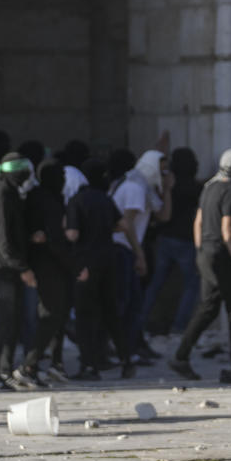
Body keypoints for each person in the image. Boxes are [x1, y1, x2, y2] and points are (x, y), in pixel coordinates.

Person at [168, 148, 231, 383]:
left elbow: (199, 221)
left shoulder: (210, 186)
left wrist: (201, 251)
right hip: (222, 255)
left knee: (208, 308)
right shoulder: (230, 189)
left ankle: (181, 356)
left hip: (205, 253)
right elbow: (227, 230)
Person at [66, 159, 135, 380]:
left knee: (85, 315)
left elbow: (73, 234)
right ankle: (126, 360)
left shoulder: (78, 200)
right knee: (111, 313)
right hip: (108, 260)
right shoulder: (106, 199)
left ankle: (89, 365)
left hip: (86, 263)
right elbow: (123, 225)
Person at [0, 153, 42, 391]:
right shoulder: (2, 199)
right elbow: (5, 243)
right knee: (2, 323)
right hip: (2, 270)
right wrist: (23, 268)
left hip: (10, 270)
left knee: (12, 322)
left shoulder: (12, 195)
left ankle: (4, 370)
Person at [109, 149, 173, 362]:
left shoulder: (144, 188)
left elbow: (164, 215)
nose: (164, 173)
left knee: (134, 301)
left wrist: (167, 189)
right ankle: (125, 349)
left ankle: (133, 346)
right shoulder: (135, 188)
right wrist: (140, 254)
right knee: (127, 302)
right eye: (162, 169)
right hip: (121, 249)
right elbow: (126, 225)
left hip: (128, 249)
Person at [139, 147, 202, 337]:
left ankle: (140, 321)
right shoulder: (195, 187)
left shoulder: (168, 184)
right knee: (192, 284)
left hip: (165, 238)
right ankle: (180, 326)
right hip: (186, 240)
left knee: (156, 283)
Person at [25, 159, 73, 381]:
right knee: (52, 315)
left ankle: (55, 361)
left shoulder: (38, 196)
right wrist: (72, 264)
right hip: (50, 265)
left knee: (57, 314)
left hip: (45, 263)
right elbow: (55, 239)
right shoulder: (50, 201)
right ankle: (30, 364)